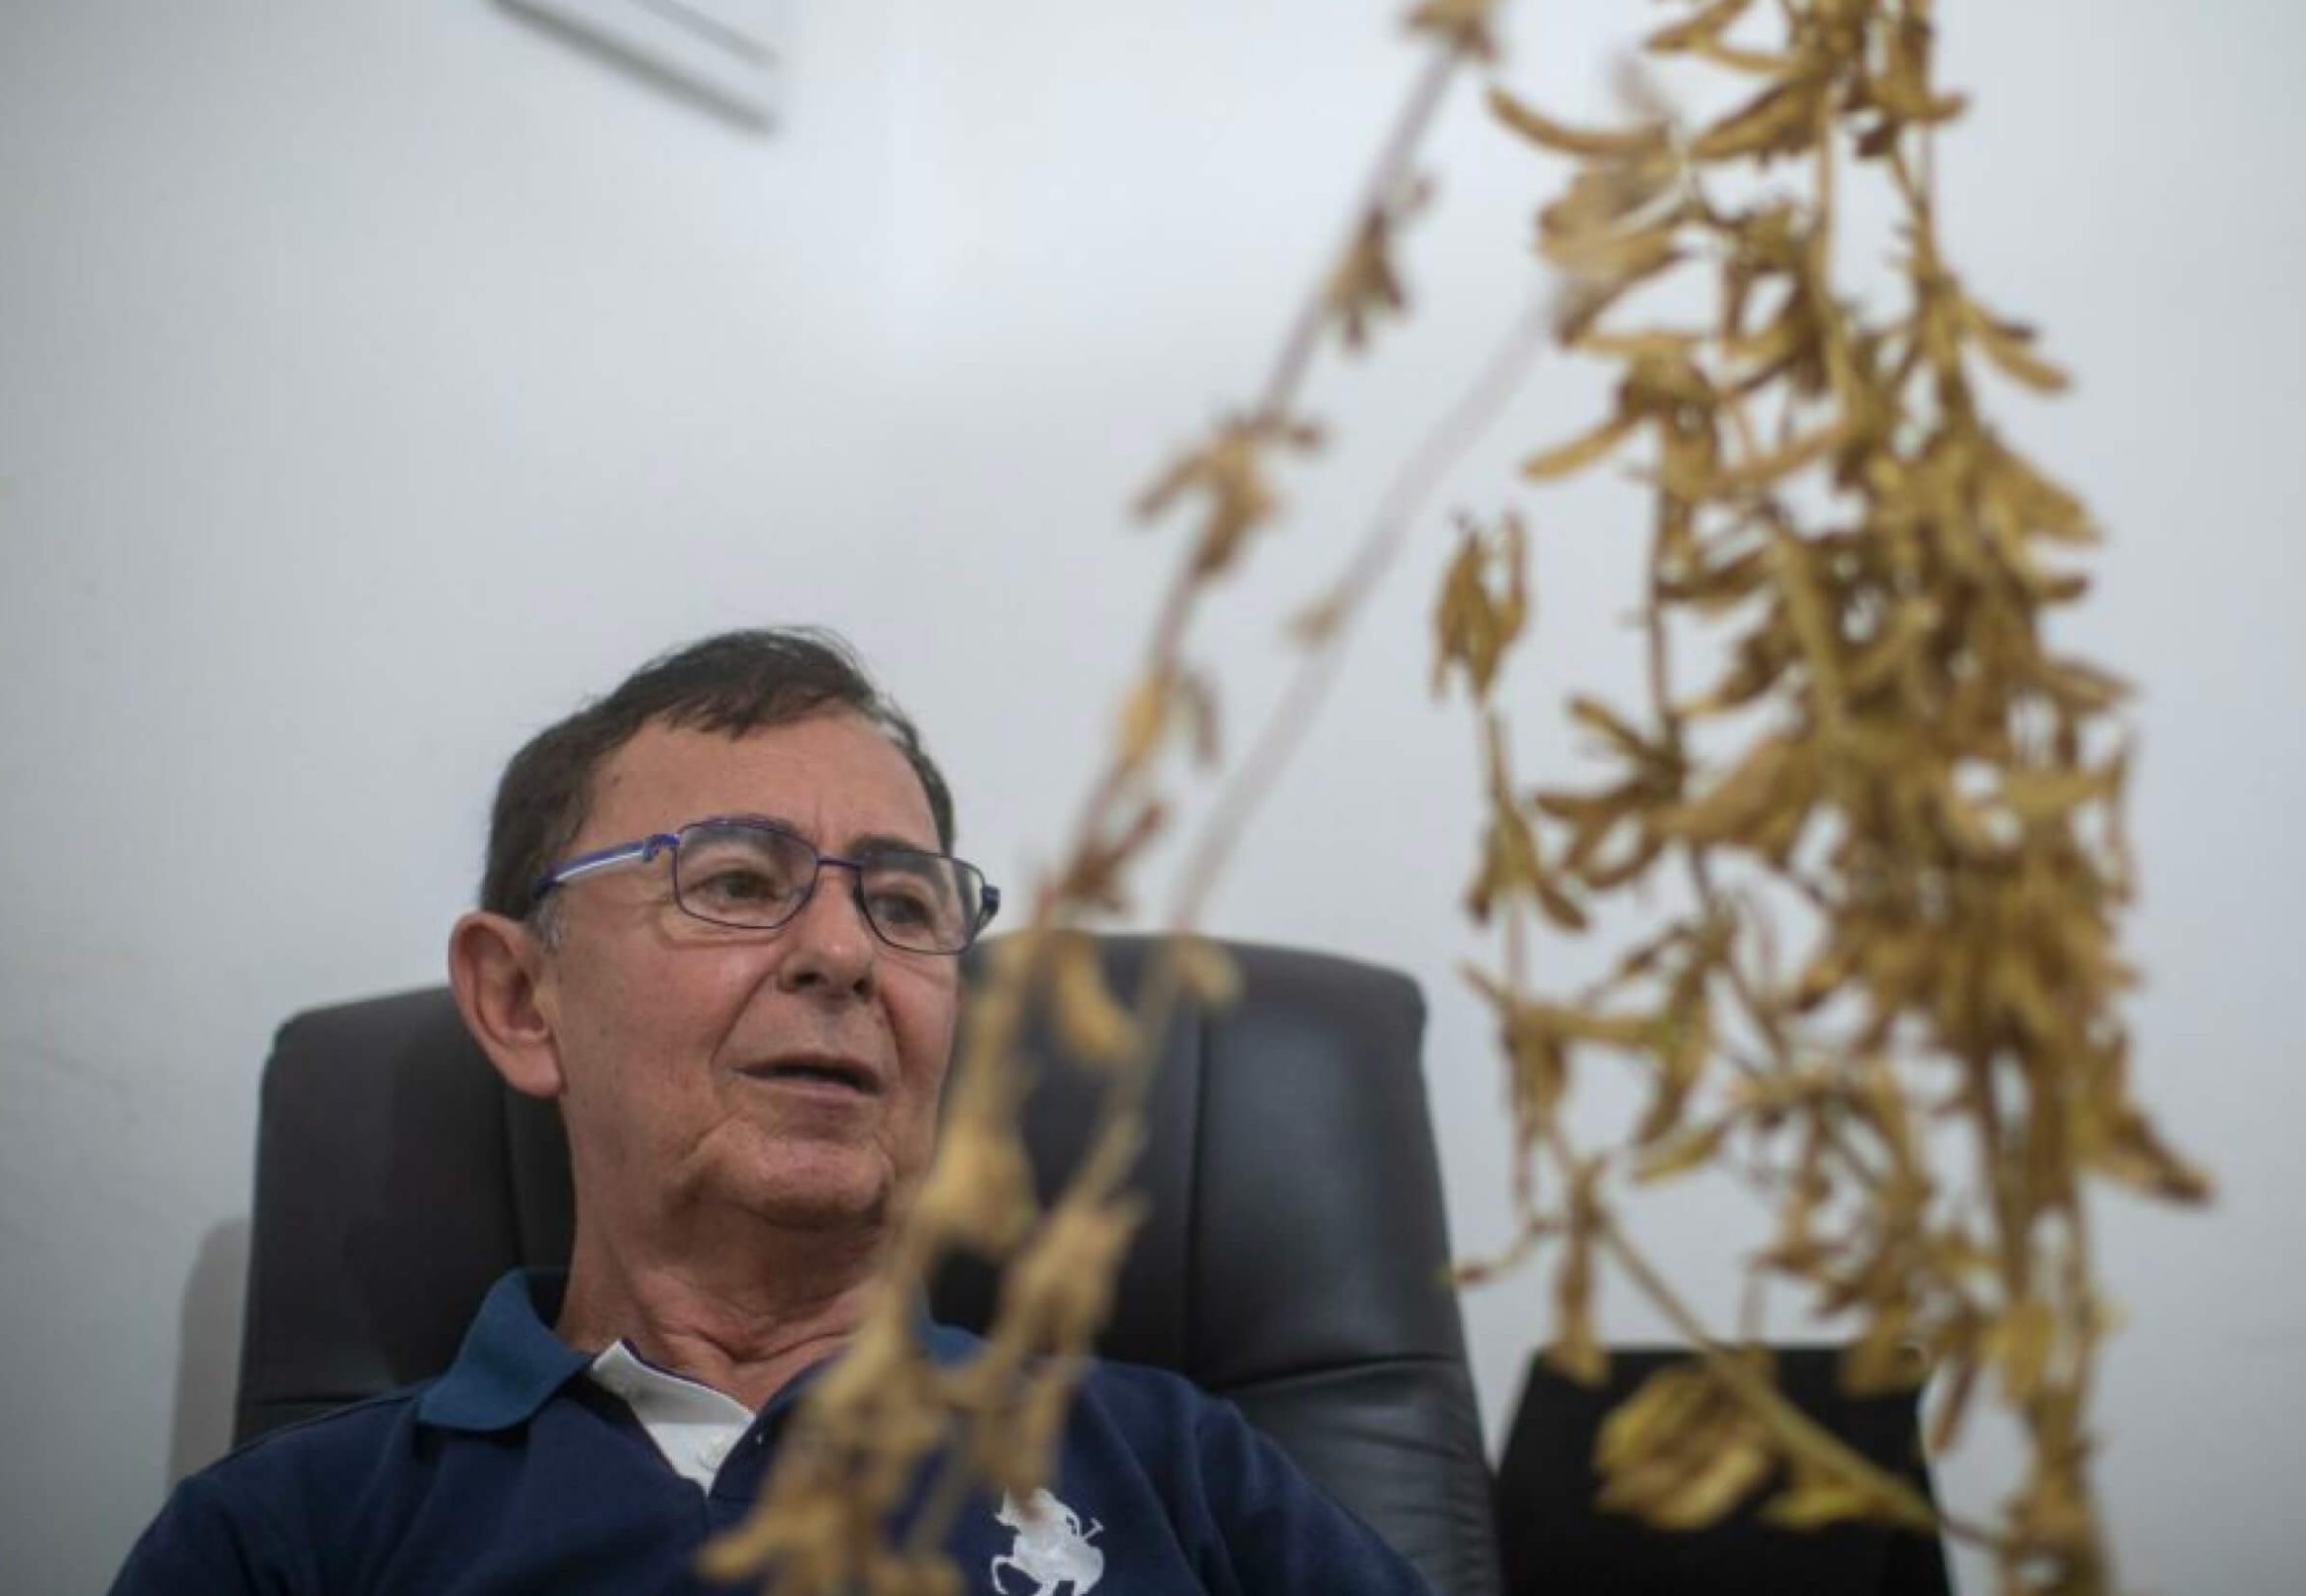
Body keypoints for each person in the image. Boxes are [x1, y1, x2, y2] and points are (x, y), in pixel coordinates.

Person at [112, 628, 1437, 1596]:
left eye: (903, 904)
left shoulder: (1179, 1470)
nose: (845, 954)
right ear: (520, 999)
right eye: (738, 883)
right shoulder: (291, 1537)